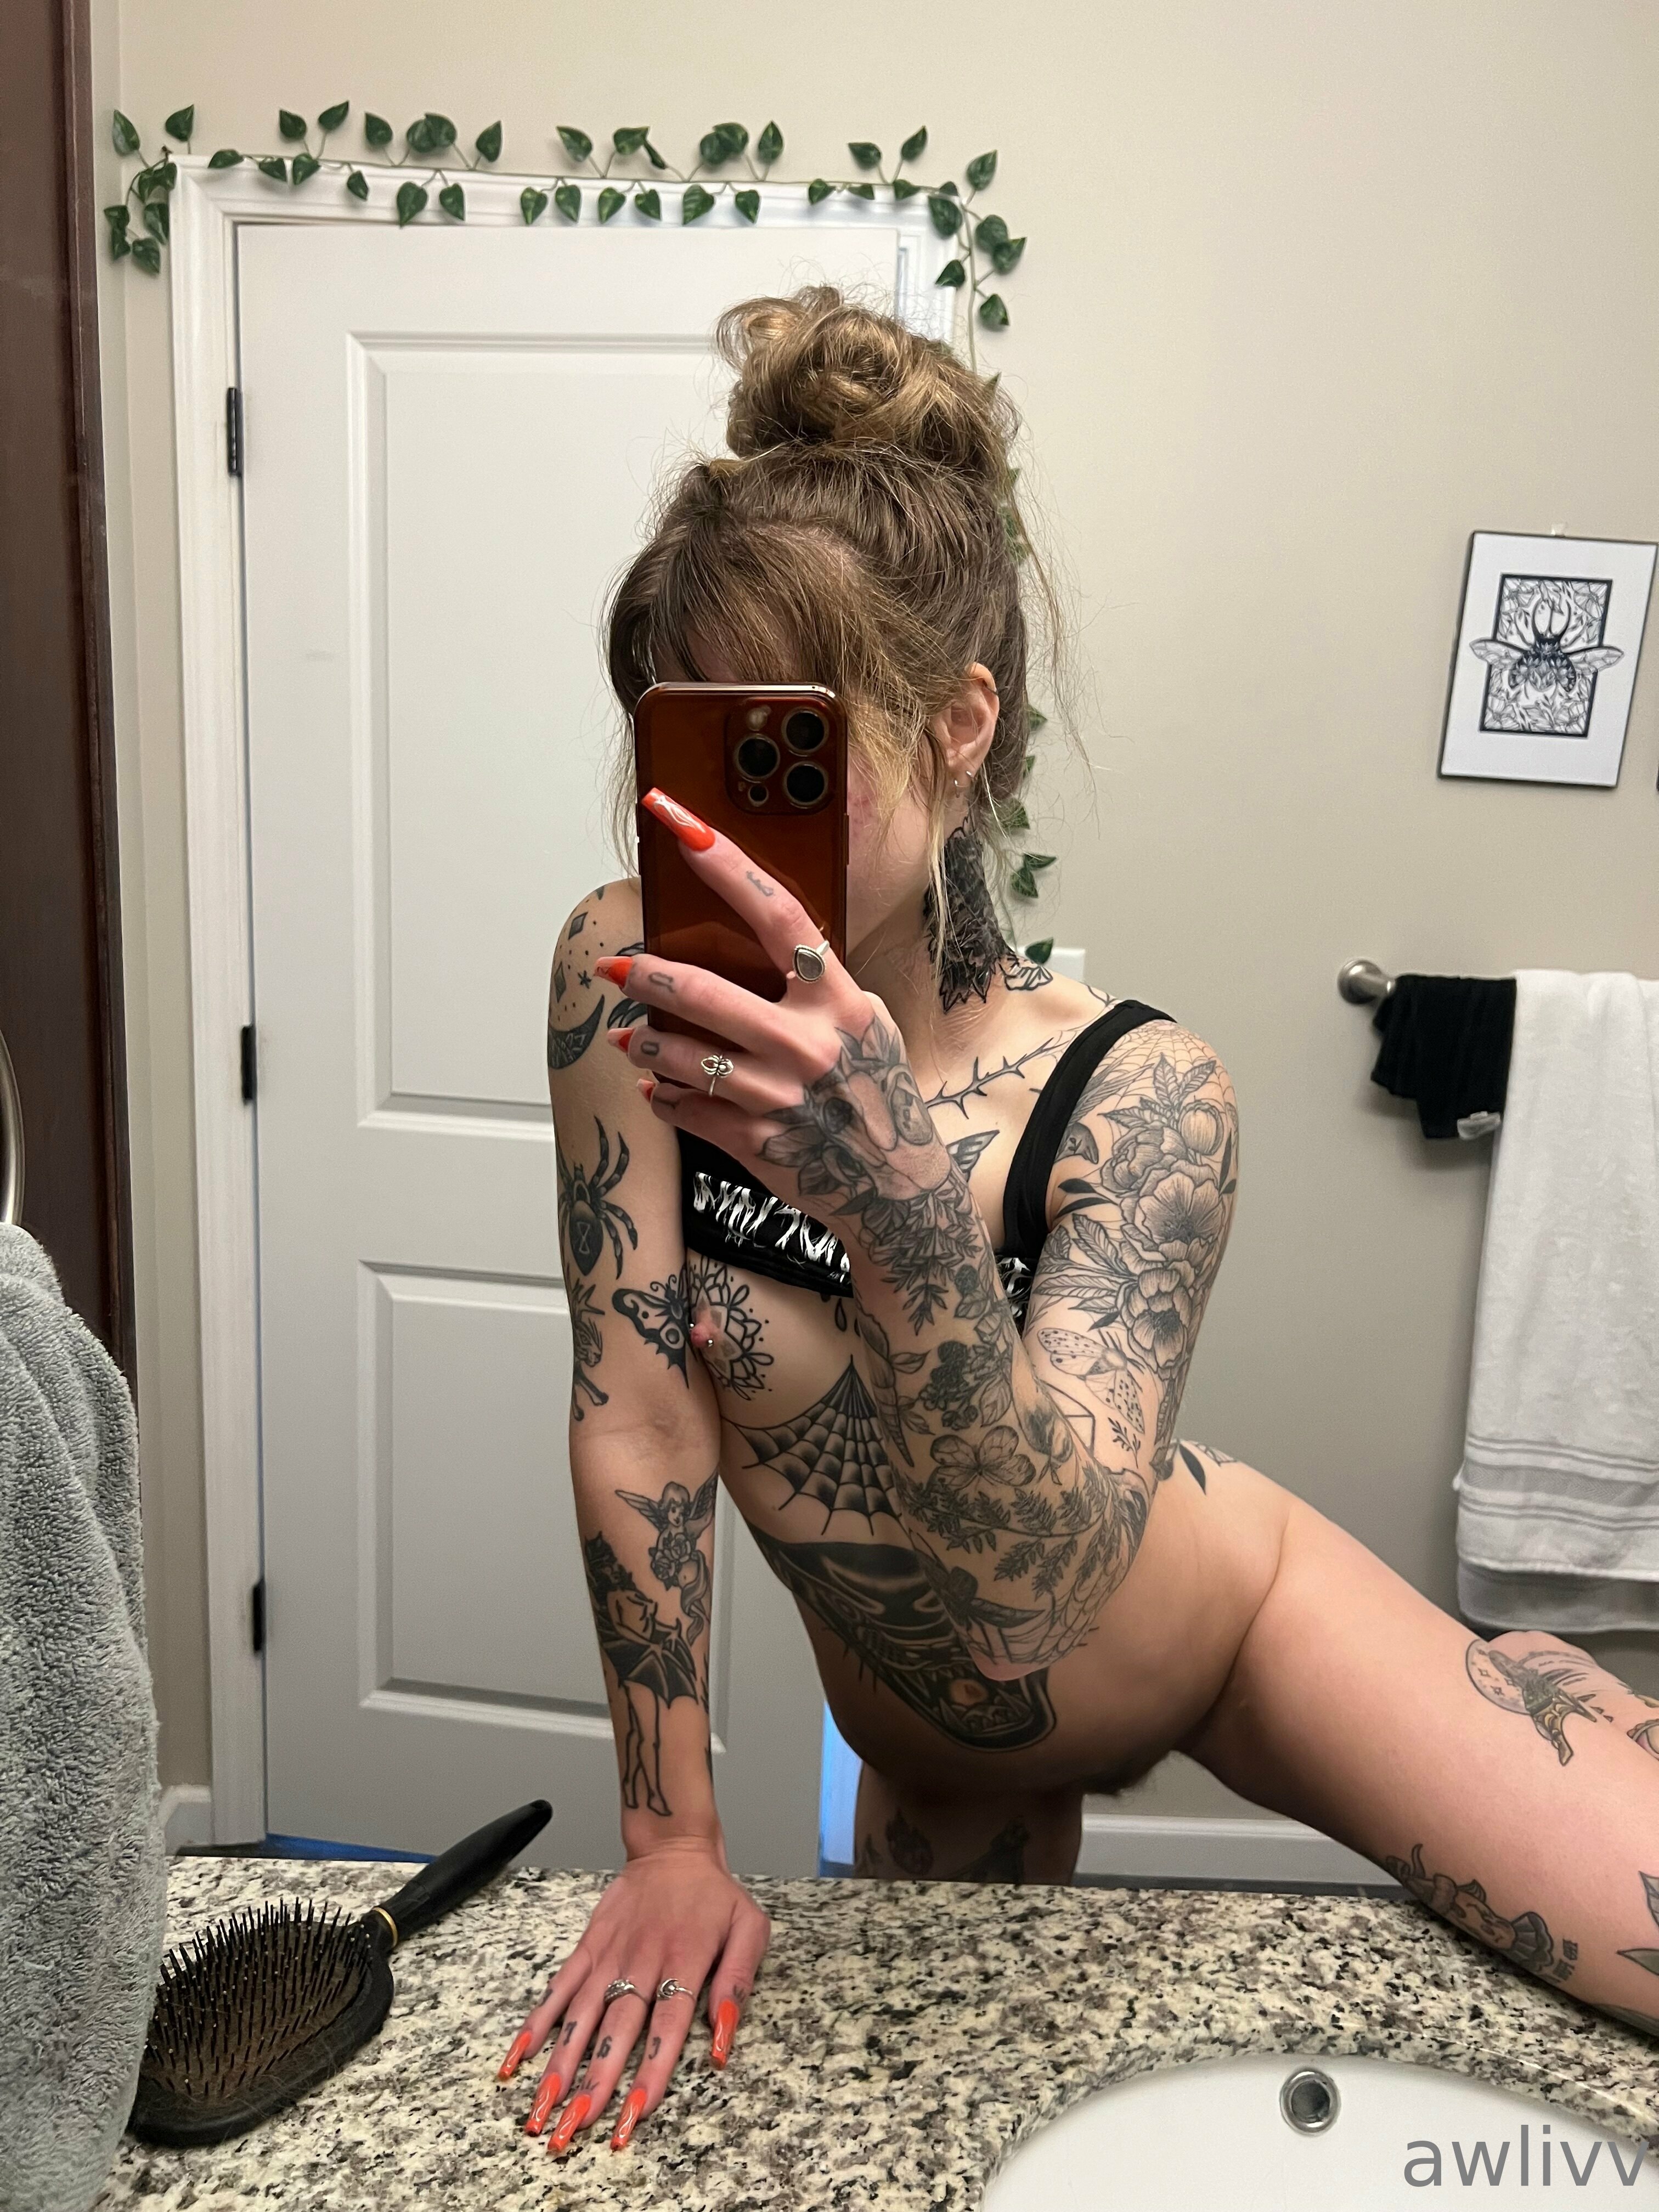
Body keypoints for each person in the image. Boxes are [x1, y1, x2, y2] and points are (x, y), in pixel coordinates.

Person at [498, 289, 1659, 2157]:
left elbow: (1043, 1600)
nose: (707, 822)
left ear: (958, 725)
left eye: (785, 747)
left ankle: (1544, 1691)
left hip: (1213, 1624)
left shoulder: (1141, 1089)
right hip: (926, 1744)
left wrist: (894, 1195)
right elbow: (637, 1416)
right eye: (684, 741)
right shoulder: (618, 982)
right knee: (930, 2136)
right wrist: (670, 1841)